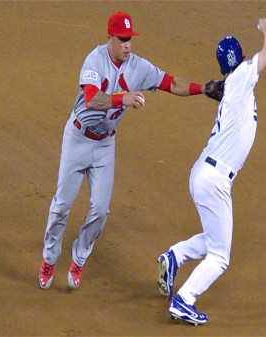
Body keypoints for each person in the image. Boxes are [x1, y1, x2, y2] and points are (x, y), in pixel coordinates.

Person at [39, 11, 209, 290]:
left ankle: (78, 259)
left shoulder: (138, 67)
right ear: (110, 39)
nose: (127, 45)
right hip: (78, 138)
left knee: (101, 210)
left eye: (130, 39)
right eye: (122, 40)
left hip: (105, 144)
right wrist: (124, 98)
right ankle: (49, 259)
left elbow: (172, 83)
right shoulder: (94, 59)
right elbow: (92, 100)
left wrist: (204, 89)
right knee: (61, 206)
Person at [157, 18, 266, 325]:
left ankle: (175, 256)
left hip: (203, 172)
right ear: (238, 59)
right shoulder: (241, 78)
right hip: (214, 180)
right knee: (220, 257)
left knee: (215, 239)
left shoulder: (234, 86)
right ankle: (184, 300)